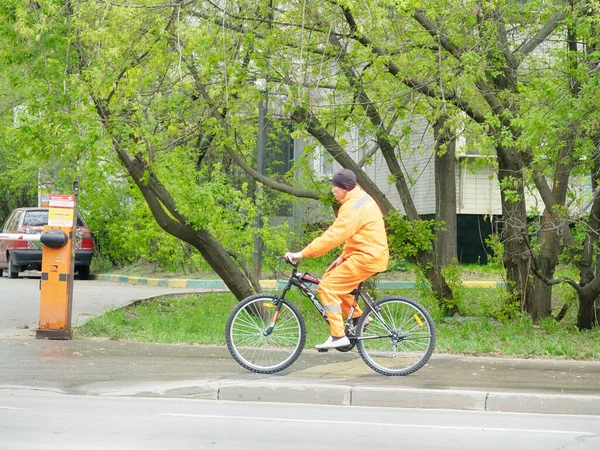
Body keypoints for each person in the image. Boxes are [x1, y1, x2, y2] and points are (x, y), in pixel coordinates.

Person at [284, 168, 389, 349]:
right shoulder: (362, 199)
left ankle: (338, 335)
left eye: (335, 187)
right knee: (334, 280)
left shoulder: (351, 207)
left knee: (327, 286)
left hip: (366, 257)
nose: (332, 190)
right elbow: (359, 234)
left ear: (344, 188)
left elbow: (333, 236)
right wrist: (342, 257)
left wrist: (302, 253)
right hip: (370, 253)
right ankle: (357, 318)